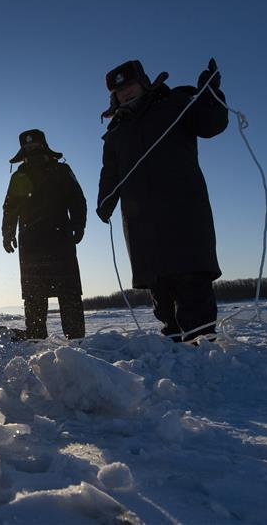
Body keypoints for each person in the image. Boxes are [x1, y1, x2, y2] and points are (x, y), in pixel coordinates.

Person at [96, 58, 228, 342]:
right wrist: (105, 201)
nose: (126, 93)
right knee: (160, 285)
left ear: (143, 82)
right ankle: (174, 343)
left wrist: (210, 95)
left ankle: (202, 343)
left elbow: (211, 124)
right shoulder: (115, 133)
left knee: (191, 277)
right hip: (141, 220)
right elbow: (111, 172)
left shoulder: (175, 105)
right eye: (120, 91)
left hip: (184, 210)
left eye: (130, 85)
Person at [2, 129, 87, 340]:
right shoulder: (18, 176)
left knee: (69, 292)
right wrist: (7, 232)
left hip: (61, 240)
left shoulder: (61, 170)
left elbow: (77, 198)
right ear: (22, 150)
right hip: (30, 244)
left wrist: (79, 223)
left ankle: (77, 341)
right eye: (27, 147)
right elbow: (10, 207)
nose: (31, 149)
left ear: (44, 145)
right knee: (33, 296)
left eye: (35, 145)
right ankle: (36, 342)